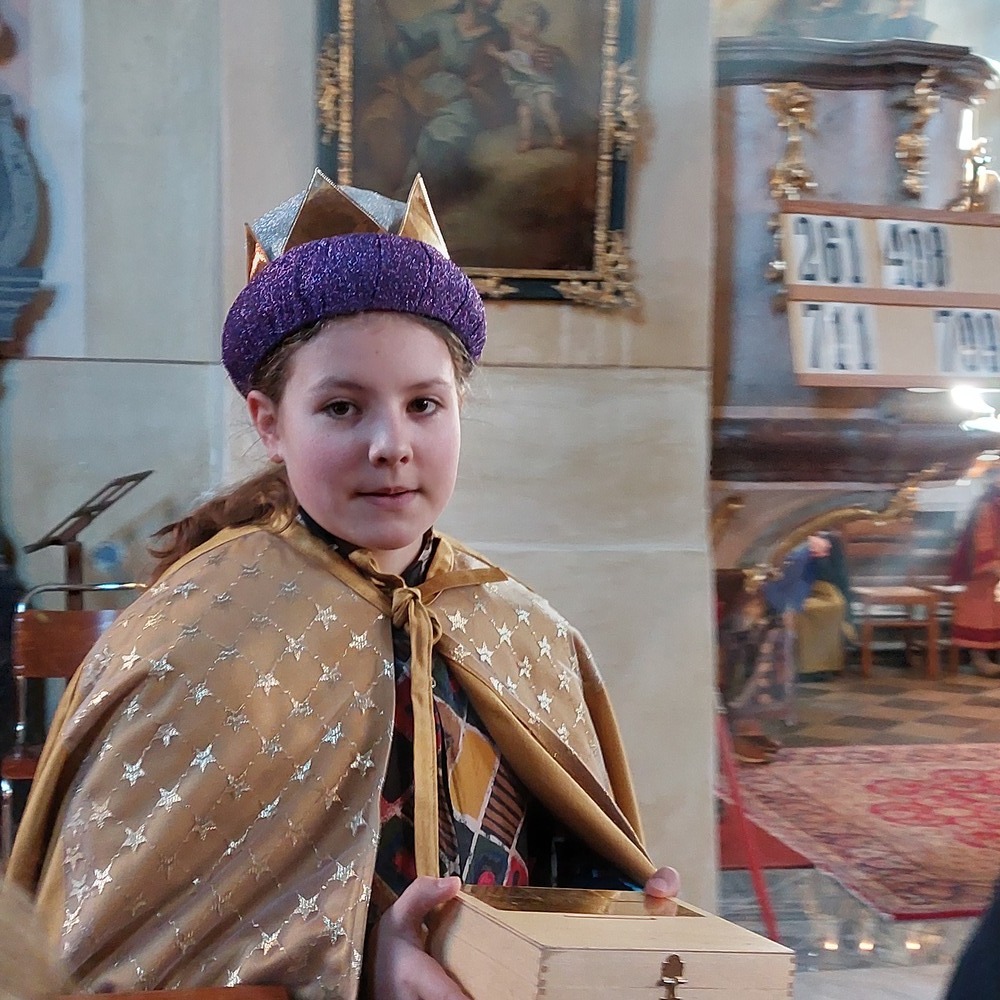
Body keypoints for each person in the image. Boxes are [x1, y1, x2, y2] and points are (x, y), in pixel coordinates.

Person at [7, 171, 678, 1000]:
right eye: (342, 408)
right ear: (269, 423)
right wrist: (364, 973)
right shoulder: (193, 641)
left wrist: (618, 906)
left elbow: (559, 861)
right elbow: (111, 962)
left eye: (424, 405)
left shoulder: (523, 630)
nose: (391, 444)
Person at [486, 2, 566, 153]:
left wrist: (495, 53)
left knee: (545, 107)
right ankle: (525, 140)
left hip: (541, 84)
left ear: (537, 31)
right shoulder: (516, 38)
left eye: (527, 24)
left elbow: (513, 60)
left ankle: (557, 135)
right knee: (524, 112)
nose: (520, 26)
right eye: (520, 21)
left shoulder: (533, 46)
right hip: (525, 87)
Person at [949, 473, 1000, 678]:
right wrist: (994, 566)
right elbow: (983, 539)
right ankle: (979, 657)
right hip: (986, 574)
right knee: (982, 609)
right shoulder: (986, 506)